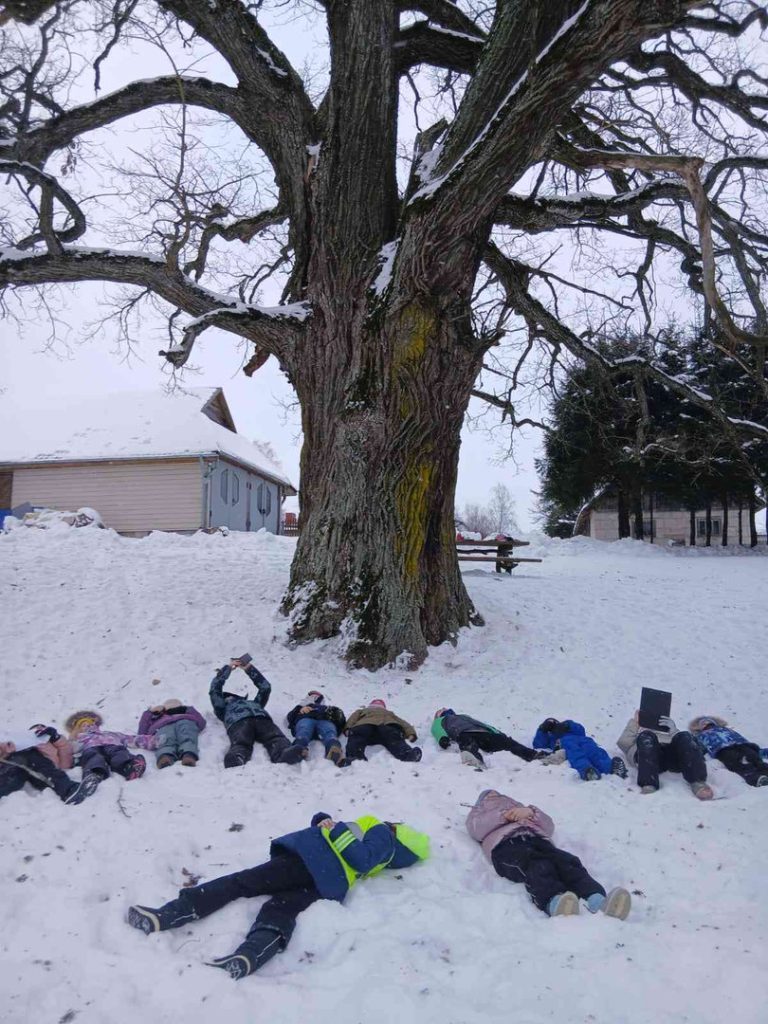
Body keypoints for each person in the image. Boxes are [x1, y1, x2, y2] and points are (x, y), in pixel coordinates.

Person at [128, 812, 430, 979]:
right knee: (280, 909)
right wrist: (323, 821)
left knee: (241, 882)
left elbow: (360, 857)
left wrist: (335, 828)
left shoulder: (382, 832)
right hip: (327, 882)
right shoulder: (386, 854)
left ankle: (168, 914)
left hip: (312, 861)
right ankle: (251, 955)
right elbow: (350, 849)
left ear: (398, 831)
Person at [466, 789, 631, 919]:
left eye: (498, 795)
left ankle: (597, 899)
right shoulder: (478, 813)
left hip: (538, 840)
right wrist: (503, 816)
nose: (495, 795)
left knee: (568, 862)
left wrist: (531, 812)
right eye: (489, 796)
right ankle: (553, 901)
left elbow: (549, 827)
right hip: (506, 846)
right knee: (537, 865)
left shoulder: (520, 808)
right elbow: (476, 830)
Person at [209, 658, 303, 767]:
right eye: (228, 697)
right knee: (241, 743)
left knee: (275, 738)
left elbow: (265, 687)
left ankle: (283, 754)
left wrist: (249, 668)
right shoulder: (222, 708)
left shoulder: (255, 703)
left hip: (262, 719)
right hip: (239, 723)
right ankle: (236, 758)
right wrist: (228, 668)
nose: (231, 698)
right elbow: (215, 689)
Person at [617, 710, 713, 800]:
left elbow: (688, 745)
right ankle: (649, 784)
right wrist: (635, 723)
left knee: (684, 735)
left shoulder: (667, 731)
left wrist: (674, 730)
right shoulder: (640, 732)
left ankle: (698, 782)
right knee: (646, 736)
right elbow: (623, 743)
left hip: (670, 755)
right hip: (648, 757)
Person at [0, 727, 100, 805]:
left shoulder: (51, 745)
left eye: (41, 729)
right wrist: (7, 748)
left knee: (27, 759)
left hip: (39, 770)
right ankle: (68, 790)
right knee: (24, 758)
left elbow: (66, 756)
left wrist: (56, 737)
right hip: (16, 766)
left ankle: (69, 790)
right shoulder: (26, 747)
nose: (38, 731)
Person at [432, 708, 543, 768]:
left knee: (507, 743)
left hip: (482, 732)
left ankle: (534, 755)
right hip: (463, 732)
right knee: (467, 741)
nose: (445, 709)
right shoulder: (440, 721)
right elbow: (437, 729)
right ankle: (474, 761)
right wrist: (442, 739)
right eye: (442, 709)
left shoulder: (463, 716)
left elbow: (482, 724)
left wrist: (497, 733)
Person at [65, 710, 155, 781]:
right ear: (77, 729)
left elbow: (130, 739)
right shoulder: (79, 738)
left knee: (119, 752)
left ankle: (129, 767)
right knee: (92, 756)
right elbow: (70, 749)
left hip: (112, 745)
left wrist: (153, 741)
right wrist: (73, 738)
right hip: (91, 748)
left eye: (90, 723)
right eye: (83, 725)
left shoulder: (109, 734)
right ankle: (95, 773)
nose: (88, 726)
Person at [532, 717, 627, 781]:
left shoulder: (569, 728)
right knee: (576, 755)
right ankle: (587, 771)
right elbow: (538, 744)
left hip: (585, 741)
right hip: (567, 744)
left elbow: (580, 729)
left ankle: (612, 769)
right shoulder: (552, 738)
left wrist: (567, 725)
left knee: (597, 753)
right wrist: (542, 730)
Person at [689, 715, 768, 787]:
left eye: (708, 722)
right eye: (703, 724)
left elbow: (738, 736)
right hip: (720, 749)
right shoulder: (701, 735)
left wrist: (754, 748)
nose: (707, 724)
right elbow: (700, 746)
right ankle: (754, 777)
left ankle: (765, 771)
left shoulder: (725, 729)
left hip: (740, 744)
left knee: (753, 756)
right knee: (734, 761)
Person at [344, 699, 421, 763]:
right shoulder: (388, 713)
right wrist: (410, 733)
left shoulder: (365, 711)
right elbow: (403, 723)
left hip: (371, 725)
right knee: (393, 736)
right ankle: (406, 753)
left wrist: (348, 728)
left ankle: (354, 756)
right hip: (380, 725)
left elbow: (352, 719)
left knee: (359, 734)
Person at [138, 699, 207, 768]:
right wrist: (150, 713)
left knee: (187, 734)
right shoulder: (158, 718)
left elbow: (202, 723)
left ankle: (188, 754)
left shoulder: (187, 714)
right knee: (165, 739)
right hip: (164, 725)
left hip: (184, 721)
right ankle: (165, 756)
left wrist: (188, 709)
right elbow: (142, 731)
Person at [286, 691, 348, 767]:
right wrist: (300, 709)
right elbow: (290, 717)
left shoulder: (328, 708)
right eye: (312, 696)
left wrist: (336, 715)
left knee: (329, 733)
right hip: (306, 718)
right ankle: (299, 748)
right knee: (304, 731)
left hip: (324, 721)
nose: (314, 698)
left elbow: (342, 721)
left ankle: (334, 749)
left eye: (316, 696)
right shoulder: (302, 706)